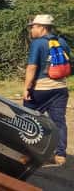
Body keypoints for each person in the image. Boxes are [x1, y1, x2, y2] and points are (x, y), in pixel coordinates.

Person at [23, 14, 70, 165]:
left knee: (28, 120)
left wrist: (26, 88)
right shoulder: (61, 41)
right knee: (59, 122)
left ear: (42, 27)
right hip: (60, 88)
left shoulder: (38, 43)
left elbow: (32, 67)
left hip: (41, 89)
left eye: (33, 26)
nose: (31, 29)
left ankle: (27, 154)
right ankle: (60, 155)